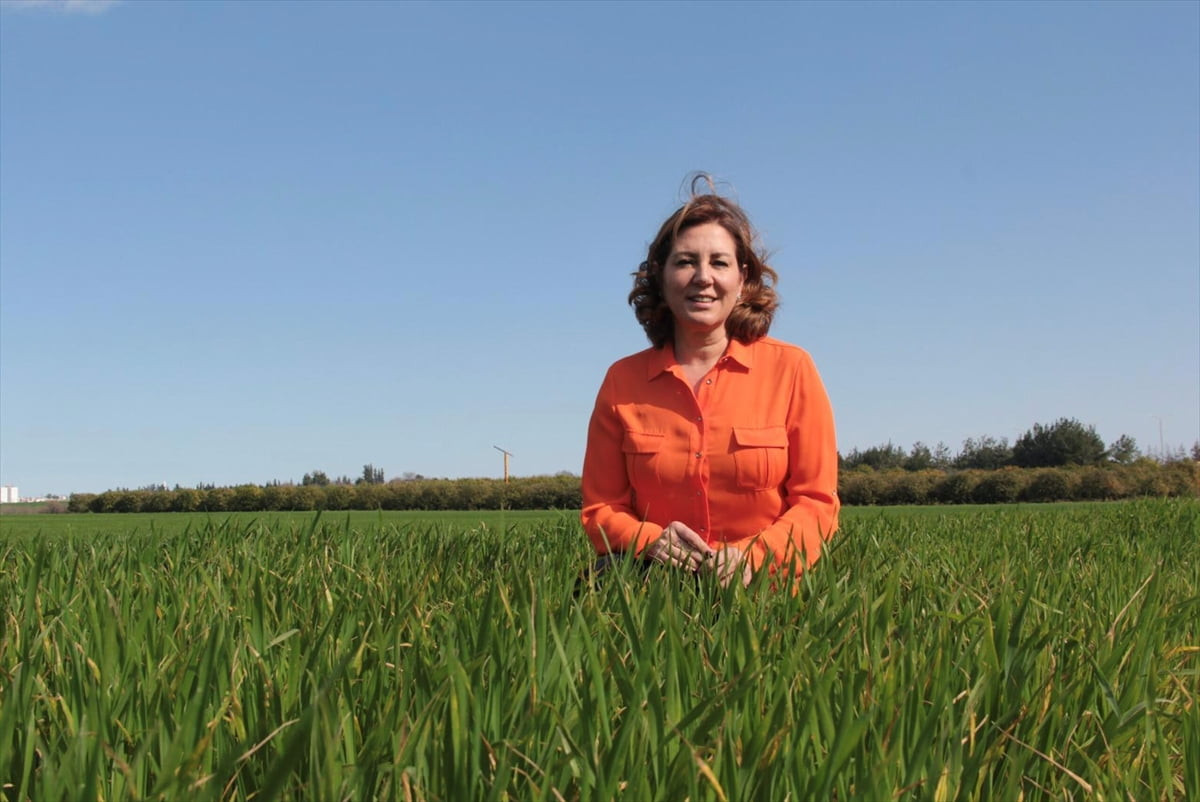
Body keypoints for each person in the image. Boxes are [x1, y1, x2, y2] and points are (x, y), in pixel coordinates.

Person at [580, 178, 839, 588]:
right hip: (655, 584)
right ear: (661, 280)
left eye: (719, 262)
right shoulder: (621, 381)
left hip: (764, 588)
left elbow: (816, 503)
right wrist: (651, 541)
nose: (703, 277)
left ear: (742, 280)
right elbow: (601, 509)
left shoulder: (792, 370)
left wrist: (753, 559)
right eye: (685, 262)